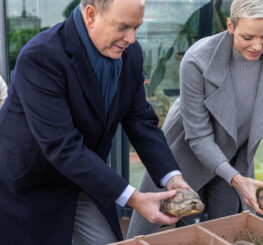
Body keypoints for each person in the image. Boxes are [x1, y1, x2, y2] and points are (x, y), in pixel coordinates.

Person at [0, 0, 192, 244]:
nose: (131, 39)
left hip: (87, 177)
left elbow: (140, 120)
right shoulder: (40, 57)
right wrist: (135, 199)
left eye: (136, 28)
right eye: (122, 27)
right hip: (33, 184)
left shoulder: (130, 54)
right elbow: (63, 146)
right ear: (91, 15)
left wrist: (172, 177)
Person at [127, 0, 263, 238]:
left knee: (226, 229)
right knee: (181, 227)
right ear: (230, 26)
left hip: (234, 157)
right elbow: (199, 136)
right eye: (248, 36)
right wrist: (237, 179)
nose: (257, 45)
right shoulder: (197, 59)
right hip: (186, 150)